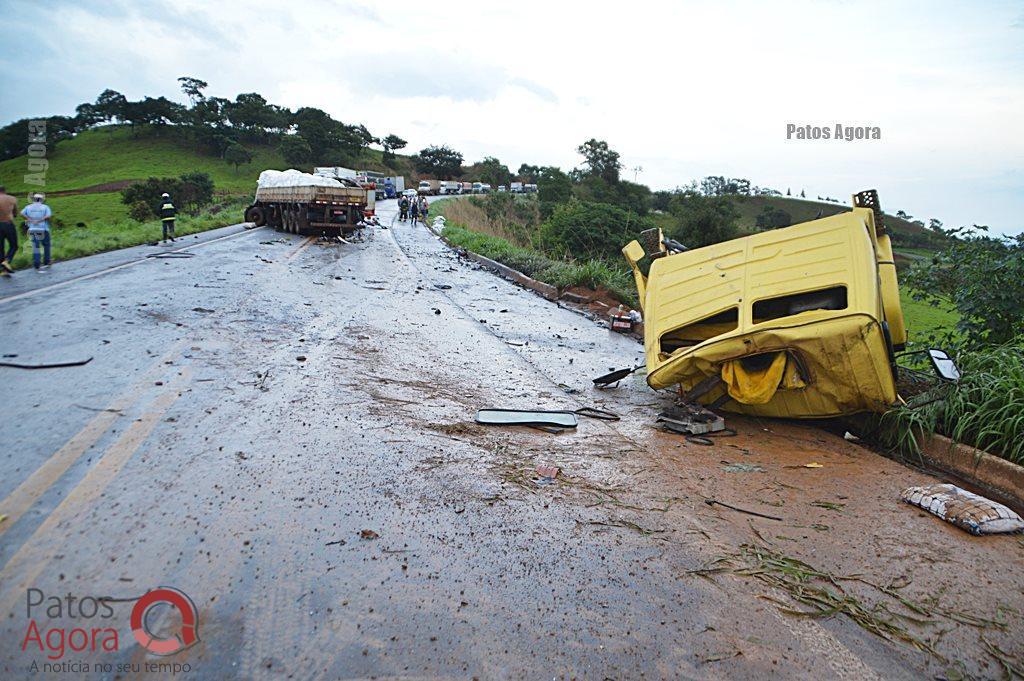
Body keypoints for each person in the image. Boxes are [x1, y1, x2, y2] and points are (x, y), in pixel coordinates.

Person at [21, 193, 53, 272]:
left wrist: (29, 219)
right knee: (46, 245)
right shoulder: (45, 207)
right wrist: (40, 220)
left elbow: (21, 213)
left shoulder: (28, 207)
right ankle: (47, 261)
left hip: (32, 229)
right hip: (43, 229)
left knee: (36, 246)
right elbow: (48, 216)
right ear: (41, 199)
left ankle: (37, 263)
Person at [0, 185, 17, 277]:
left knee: (0, 248)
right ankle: (7, 261)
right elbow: (15, 213)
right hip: (8, 224)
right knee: (14, 245)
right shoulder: (12, 199)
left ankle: (3, 270)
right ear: (5, 191)